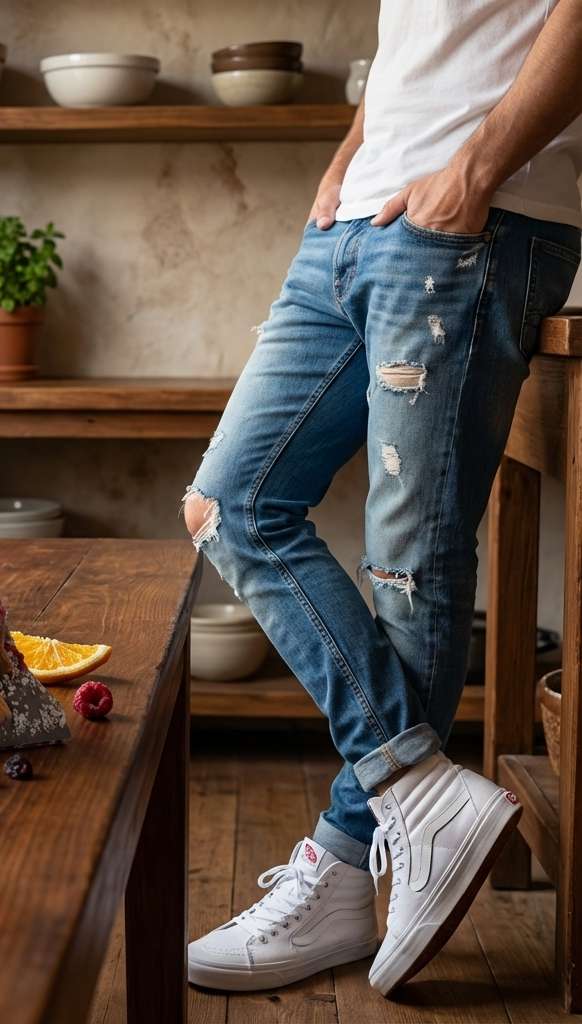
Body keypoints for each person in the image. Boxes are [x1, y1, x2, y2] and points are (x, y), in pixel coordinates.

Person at [184, 0, 581, 997]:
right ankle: (412, 783)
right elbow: (420, 44)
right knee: (228, 503)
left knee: (408, 566)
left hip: (477, 216)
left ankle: (346, 862)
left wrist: (476, 171)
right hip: (355, 221)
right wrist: (346, 156)